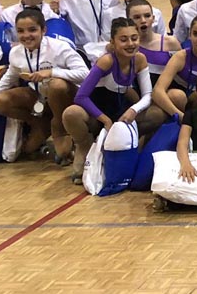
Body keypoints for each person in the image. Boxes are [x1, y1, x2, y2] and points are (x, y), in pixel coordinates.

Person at [64, 16, 161, 185]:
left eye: (134, 38)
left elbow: (148, 95)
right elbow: (81, 96)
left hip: (120, 110)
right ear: (113, 42)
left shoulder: (139, 59)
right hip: (96, 111)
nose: (130, 44)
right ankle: (84, 145)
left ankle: (137, 147)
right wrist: (104, 119)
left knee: (159, 114)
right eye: (123, 40)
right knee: (71, 113)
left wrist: (134, 110)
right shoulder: (106, 61)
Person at [0, 7, 86, 163]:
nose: (26, 35)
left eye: (32, 30)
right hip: (40, 99)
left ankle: (61, 127)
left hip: (68, 100)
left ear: (44, 30)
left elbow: (84, 74)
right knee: (0, 102)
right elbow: (9, 77)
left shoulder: (60, 48)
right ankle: (39, 122)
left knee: (56, 85)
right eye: (21, 31)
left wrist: (52, 72)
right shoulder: (16, 53)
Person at [130, 0, 180, 80]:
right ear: (129, 20)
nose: (143, 20)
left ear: (153, 19)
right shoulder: (126, 46)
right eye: (137, 17)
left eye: (147, 16)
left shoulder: (170, 43)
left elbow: (180, 76)